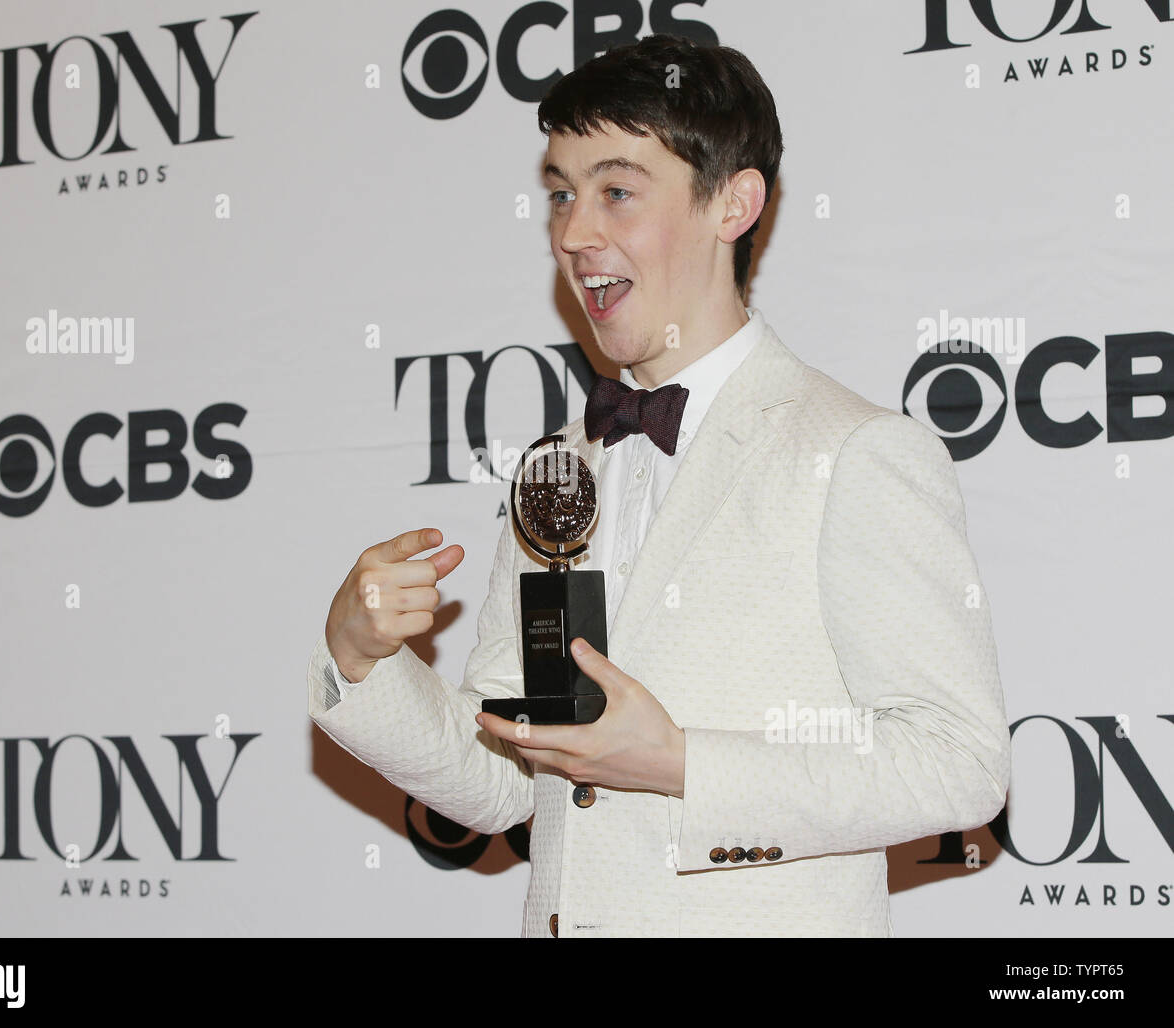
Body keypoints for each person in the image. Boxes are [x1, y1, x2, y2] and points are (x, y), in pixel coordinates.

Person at [308, 33, 1011, 937]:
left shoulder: (858, 452)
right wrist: (359, 660)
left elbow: (958, 763)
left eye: (615, 191)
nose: (572, 233)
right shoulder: (559, 467)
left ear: (733, 202)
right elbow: (502, 776)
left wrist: (683, 763)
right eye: (560, 194)